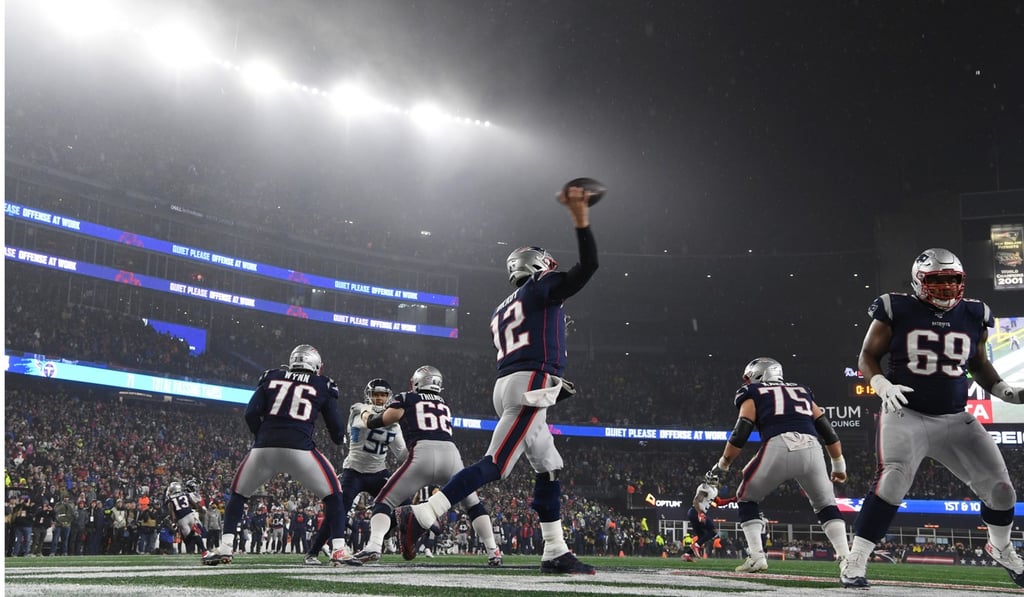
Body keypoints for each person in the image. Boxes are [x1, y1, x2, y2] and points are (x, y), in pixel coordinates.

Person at [398, 183, 599, 575]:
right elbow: (588, 267)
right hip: (529, 385)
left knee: (549, 466)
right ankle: (423, 514)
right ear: (538, 266)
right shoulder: (540, 288)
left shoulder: (502, 308)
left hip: (514, 382)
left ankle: (555, 550)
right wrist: (581, 217)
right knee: (497, 464)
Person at [841, 248, 1024, 588]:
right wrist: (880, 382)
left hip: (956, 418)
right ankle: (857, 558)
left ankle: (1001, 548)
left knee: (1002, 492)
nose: (945, 287)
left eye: (952, 279)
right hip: (906, 413)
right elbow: (867, 355)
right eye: (937, 280)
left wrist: (1005, 391)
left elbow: (978, 363)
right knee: (892, 481)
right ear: (918, 280)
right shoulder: (897, 307)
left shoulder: (974, 313)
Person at [208, 344, 350, 566]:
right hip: (300, 449)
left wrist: (263, 436)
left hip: (264, 448)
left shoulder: (272, 376)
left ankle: (226, 547)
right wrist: (339, 439)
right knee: (334, 495)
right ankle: (339, 549)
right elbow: (336, 428)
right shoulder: (323, 383)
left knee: (238, 494)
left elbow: (251, 413)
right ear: (316, 366)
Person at [707, 357, 851, 574]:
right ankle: (848, 559)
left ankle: (756, 557)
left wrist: (723, 464)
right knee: (825, 505)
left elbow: (741, 432)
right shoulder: (802, 390)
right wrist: (838, 465)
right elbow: (828, 431)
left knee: (746, 498)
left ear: (759, 374)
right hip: (813, 447)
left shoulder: (752, 393)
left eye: (748, 377)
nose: (746, 381)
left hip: (779, 445)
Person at [351, 366, 502, 565]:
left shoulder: (407, 398)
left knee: (384, 502)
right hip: (451, 456)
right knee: (473, 505)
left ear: (416, 382)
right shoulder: (444, 404)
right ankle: (493, 551)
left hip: (422, 453)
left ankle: (374, 546)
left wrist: (366, 416)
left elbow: (382, 420)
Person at [304, 378, 407, 565]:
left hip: (378, 472)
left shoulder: (394, 423)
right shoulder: (359, 409)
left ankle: (384, 535)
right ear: (369, 395)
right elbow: (367, 421)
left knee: (405, 507)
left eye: (383, 395)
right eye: (376, 394)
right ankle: (313, 552)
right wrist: (390, 418)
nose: (379, 398)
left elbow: (402, 455)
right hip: (354, 471)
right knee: (338, 512)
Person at [165, 479, 215, 565]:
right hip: (190, 515)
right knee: (195, 535)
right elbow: (193, 504)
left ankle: (203, 551)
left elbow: (171, 512)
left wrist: (173, 522)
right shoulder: (185, 494)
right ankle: (204, 551)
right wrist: (200, 509)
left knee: (188, 539)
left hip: (182, 519)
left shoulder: (170, 499)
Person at [686, 475, 736, 559]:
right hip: (696, 512)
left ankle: (687, 554)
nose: (714, 482)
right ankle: (696, 546)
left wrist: (732, 500)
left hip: (694, 513)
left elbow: (719, 502)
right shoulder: (705, 488)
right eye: (712, 480)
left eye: (715, 480)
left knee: (702, 537)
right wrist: (700, 513)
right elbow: (696, 501)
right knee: (713, 531)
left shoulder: (714, 490)